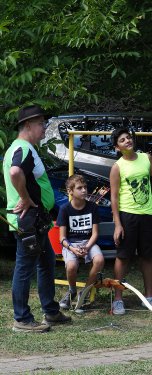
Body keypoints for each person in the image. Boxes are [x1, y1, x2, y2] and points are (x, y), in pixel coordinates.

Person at [3, 105, 71, 332]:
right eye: (42, 123)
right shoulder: (24, 149)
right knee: (25, 267)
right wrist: (25, 197)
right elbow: (15, 173)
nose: (45, 127)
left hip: (34, 218)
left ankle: (50, 312)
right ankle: (22, 319)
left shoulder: (20, 148)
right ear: (28, 125)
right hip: (28, 217)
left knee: (46, 262)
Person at [109, 128, 152, 314]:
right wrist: (118, 224)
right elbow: (115, 198)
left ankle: (148, 297)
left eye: (129, 137)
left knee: (147, 256)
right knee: (123, 256)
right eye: (122, 140)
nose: (127, 141)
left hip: (147, 215)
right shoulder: (117, 167)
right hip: (127, 216)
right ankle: (118, 300)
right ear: (117, 147)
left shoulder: (146, 158)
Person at [56, 174, 105, 313]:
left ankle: (83, 295)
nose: (84, 190)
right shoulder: (65, 209)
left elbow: (95, 234)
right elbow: (62, 238)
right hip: (71, 244)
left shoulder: (92, 207)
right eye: (79, 188)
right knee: (71, 266)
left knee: (100, 260)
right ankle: (72, 291)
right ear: (70, 191)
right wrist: (73, 248)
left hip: (88, 243)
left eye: (85, 187)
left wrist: (87, 247)